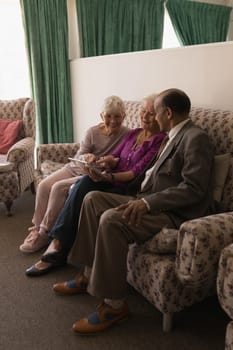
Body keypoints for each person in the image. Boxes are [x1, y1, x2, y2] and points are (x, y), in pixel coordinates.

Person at [53, 88, 216, 335]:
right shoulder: (172, 136)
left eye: (155, 112)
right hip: (144, 197)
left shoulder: (195, 138)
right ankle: (87, 272)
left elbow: (194, 189)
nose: (151, 117)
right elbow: (146, 173)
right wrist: (108, 174)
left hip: (172, 213)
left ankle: (114, 306)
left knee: (111, 220)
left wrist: (148, 203)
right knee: (92, 198)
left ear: (168, 113)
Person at [25, 93, 167, 276]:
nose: (144, 117)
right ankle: (55, 241)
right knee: (82, 183)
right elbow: (115, 157)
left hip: (123, 185)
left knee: (81, 184)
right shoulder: (133, 133)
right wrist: (104, 162)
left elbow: (135, 172)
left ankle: (57, 245)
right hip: (109, 177)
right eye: (143, 111)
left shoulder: (159, 140)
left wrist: (110, 178)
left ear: (161, 115)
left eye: (151, 113)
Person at [19, 95, 129, 254]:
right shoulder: (92, 132)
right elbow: (79, 154)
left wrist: (107, 161)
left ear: (124, 116)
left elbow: (124, 159)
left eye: (117, 116)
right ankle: (36, 228)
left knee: (57, 187)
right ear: (101, 116)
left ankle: (44, 232)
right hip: (76, 167)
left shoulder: (127, 135)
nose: (113, 120)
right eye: (108, 116)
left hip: (92, 173)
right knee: (44, 185)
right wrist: (87, 157)